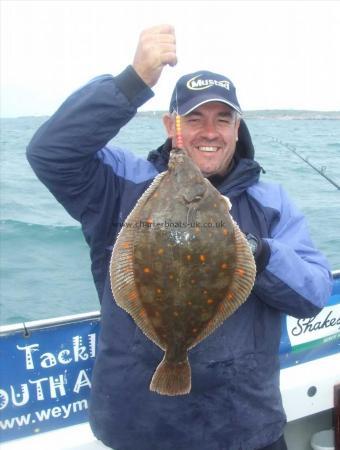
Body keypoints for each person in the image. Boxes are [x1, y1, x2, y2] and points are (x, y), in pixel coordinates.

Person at [27, 25, 332, 450]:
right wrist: (133, 81)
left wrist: (260, 254)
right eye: (195, 118)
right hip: (140, 428)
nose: (210, 132)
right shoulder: (122, 184)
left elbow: (314, 294)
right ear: (172, 125)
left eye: (222, 119)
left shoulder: (272, 203)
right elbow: (50, 151)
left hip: (243, 427)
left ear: (237, 128)